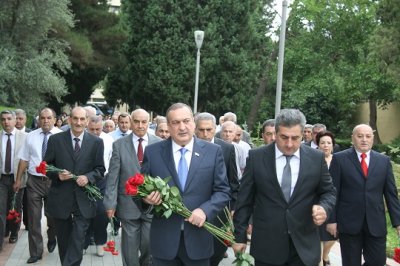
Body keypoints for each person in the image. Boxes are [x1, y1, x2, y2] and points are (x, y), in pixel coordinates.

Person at [232, 108, 336, 266]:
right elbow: (244, 199)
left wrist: (324, 208)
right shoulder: (257, 157)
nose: (289, 144)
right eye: (284, 137)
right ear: (275, 133)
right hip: (267, 247)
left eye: (295, 138)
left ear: (303, 135)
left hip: (304, 247)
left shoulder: (316, 158)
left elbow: (329, 192)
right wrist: (239, 237)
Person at [141, 103, 231, 266]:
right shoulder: (153, 152)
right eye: (175, 122)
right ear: (168, 125)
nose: (182, 127)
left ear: (193, 123)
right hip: (164, 242)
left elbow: (223, 191)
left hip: (199, 240)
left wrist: (205, 210)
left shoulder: (213, 152)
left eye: (186, 121)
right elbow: (140, 190)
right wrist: (146, 199)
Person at [327, 124, 400, 266]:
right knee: (351, 262)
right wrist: (331, 220)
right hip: (349, 222)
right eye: (360, 136)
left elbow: (391, 194)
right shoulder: (340, 159)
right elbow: (332, 191)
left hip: (376, 222)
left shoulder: (383, 161)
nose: (364, 140)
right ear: (352, 138)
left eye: (368, 136)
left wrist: (397, 222)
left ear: (373, 139)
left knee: (377, 261)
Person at [44, 106, 105, 265]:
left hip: (84, 199)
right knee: (64, 241)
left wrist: (88, 177)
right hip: (61, 199)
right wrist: (58, 175)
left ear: (87, 121)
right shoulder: (55, 140)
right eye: (75, 118)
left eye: (82, 119)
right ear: (69, 119)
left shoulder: (96, 142)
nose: (78, 122)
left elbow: (100, 169)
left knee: (78, 240)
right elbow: (45, 167)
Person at [104, 108, 161, 266]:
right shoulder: (119, 145)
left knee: (148, 245)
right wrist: (110, 203)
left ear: (148, 123)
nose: (140, 125)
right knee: (129, 247)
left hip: (153, 204)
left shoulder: (159, 143)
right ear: (130, 122)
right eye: (136, 121)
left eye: (144, 122)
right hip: (128, 204)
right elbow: (113, 177)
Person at [15, 108, 61, 264]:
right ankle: (35, 252)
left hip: (54, 182)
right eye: (42, 118)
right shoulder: (31, 136)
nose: (45, 121)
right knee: (34, 218)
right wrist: (18, 180)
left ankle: (53, 235)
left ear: (54, 119)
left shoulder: (61, 136)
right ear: (38, 119)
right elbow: (23, 159)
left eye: (49, 117)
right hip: (34, 181)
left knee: (53, 216)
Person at [194, 112, 239, 266]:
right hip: (194, 210)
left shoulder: (227, 149)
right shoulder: (188, 147)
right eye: (201, 130)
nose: (205, 134)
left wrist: (233, 210)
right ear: (195, 129)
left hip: (220, 213)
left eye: (209, 129)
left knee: (216, 253)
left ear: (215, 129)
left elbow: (233, 183)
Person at [85, 115, 114, 257]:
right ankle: (83, 243)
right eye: (92, 129)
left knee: (101, 212)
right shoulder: (82, 139)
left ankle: (100, 242)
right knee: (85, 212)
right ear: (87, 127)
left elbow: (112, 161)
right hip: (85, 179)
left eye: (98, 129)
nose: (95, 132)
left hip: (103, 180)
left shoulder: (109, 140)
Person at [0, 110, 27, 249]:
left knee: (15, 207)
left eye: (9, 119)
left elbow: (26, 159)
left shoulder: (25, 137)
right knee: (1, 208)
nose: (6, 122)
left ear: (15, 119)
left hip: (18, 178)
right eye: (3, 119)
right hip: (2, 179)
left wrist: (19, 180)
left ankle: (14, 232)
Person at [315, 131, 338, 266]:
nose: (325, 145)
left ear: (333, 146)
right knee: (318, 236)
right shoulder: (313, 159)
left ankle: (325, 254)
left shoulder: (338, 160)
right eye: (322, 143)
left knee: (333, 235)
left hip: (334, 203)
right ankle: (319, 259)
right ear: (318, 145)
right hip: (317, 203)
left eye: (329, 143)